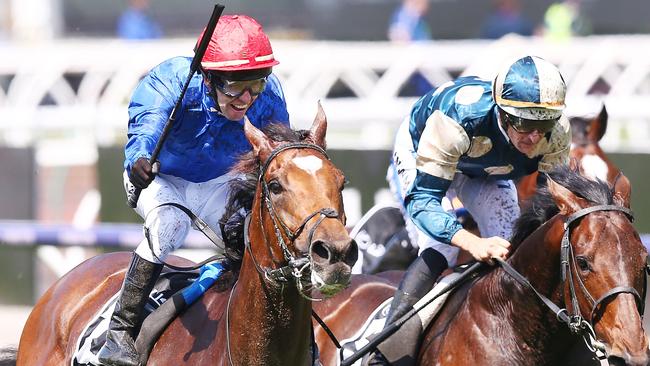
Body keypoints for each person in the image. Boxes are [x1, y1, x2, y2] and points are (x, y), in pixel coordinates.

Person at [97, 14, 289, 366]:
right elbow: (146, 129)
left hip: (217, 182)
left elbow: (278, 155)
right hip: (159, 177)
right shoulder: (170, 82)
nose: (247, 98)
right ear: (208, 74)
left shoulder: (270, 94)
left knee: (258, 234)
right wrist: (140, 160)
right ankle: (119, 333)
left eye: (256, 83)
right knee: (169, 225)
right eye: (236, 85)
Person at [368, 55, 570, 365]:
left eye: (542, 124)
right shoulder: (458, 118)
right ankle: (386, 349)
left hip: (482, 168)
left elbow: (554, 205)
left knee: (508, 243)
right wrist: (472, 242)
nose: (533, 136)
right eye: (524, 122)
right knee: (442, 246)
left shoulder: (556, 132)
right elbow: (424, 203)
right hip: (424, 150)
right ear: (502, 114)